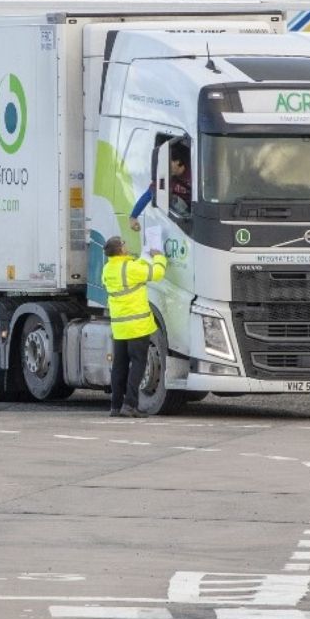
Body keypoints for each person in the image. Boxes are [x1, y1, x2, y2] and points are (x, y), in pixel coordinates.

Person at [101, 236, 167, 418]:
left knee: (119, 365)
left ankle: (115, 406)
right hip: (137, 325)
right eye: (124, 243)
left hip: (120, 326)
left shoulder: (108, 269)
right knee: (138, 364)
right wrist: (160, 257)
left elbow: (131, 272)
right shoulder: (130, 268)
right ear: (120, 250)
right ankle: (130, 405)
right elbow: (157, 273)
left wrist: (140, 260)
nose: (127, 245)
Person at [129, 141, 191, 231]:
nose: (166, 168)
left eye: (169, 163)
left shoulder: (193, 173)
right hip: (181, 216)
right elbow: (149, 194)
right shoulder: (167, 176)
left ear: (177, 161)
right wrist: (133, 216)